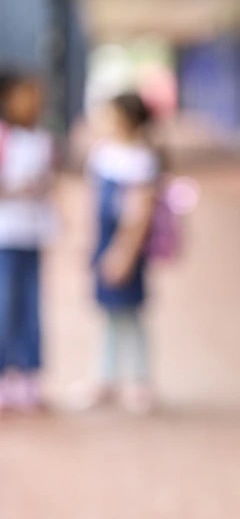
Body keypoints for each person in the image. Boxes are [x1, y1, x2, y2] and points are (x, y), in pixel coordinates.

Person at [81, 93, 160, 414]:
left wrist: (124, 252)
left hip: (124, 246)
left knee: (131, 314)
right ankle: (106, 378)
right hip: (105, 242)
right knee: (111, 315)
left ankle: (139, 380)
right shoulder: (103, 153)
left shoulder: (140, 159)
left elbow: (138, 214)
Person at [0, 69, 56, 413]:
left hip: (32, 235)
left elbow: (50, 183)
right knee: (5, 307)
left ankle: (29, 374)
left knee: (31, 307)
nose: (34, 102)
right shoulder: (4, 138)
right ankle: (5, 373)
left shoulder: (42, 140)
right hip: (5, 237)